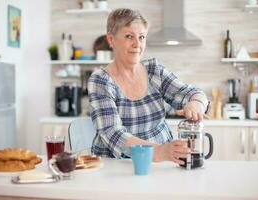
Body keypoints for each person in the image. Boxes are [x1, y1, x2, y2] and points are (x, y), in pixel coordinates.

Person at [88, 8, 209, 164]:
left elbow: (192, 92)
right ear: (111, 39)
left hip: (162, 162)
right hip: (119, 164)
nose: (137, 44)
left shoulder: (154, 71)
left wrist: (196, 103)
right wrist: (159, 151)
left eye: (142, 37)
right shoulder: (101, 80)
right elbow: (113, 134)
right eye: (129, 36)